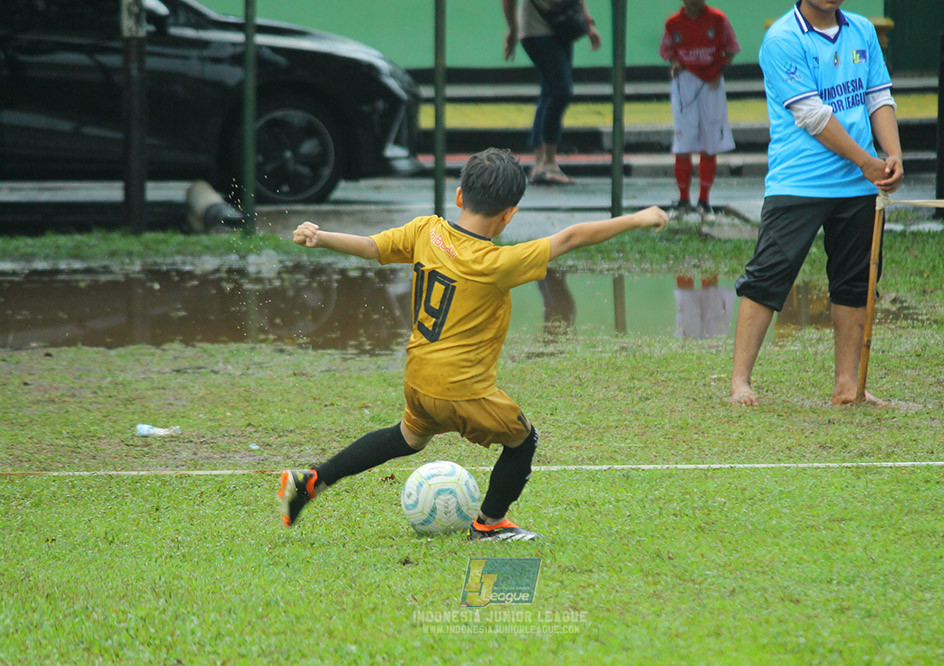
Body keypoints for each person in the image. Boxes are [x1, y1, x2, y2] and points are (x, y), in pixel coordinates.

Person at [278, 148, 668, 540]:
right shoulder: (496, 263)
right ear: (509, 214)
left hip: (418, 377)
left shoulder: (426, 231)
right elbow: (569, 238)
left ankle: (312, 481)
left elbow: (372, 247)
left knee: (408, 437)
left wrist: (322, 236)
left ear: (460, 195)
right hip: (461, 389)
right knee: (522, 438)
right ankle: (490, 523)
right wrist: (636, 218)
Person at [729, 0, 903, 407]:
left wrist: (892, 155)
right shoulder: (782, 39)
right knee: (768, 276)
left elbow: (879, 97)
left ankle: (848, 387)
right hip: (799, 181)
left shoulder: (862, 30)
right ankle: (740, 382)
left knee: (857, 284)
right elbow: (812, 115)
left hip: (858, 186)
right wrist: (867, 162)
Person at [501, 0, 601, 185]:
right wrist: (513, 28)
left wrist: (589, 25)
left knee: (550, 91)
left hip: (563, 26)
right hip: (535, 30)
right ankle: (547, 162)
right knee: (560, 91)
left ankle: (541, 164)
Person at [660, 0, 740, 221]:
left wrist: (720, 69)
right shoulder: (673, 23)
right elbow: (667, 51)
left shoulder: (718, 20)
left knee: (710, 141)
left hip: (712, 84)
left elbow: (732, 48)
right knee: (683, 141)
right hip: (685, 82)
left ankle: (704, 201)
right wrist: (675, 62)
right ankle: (684, 200)